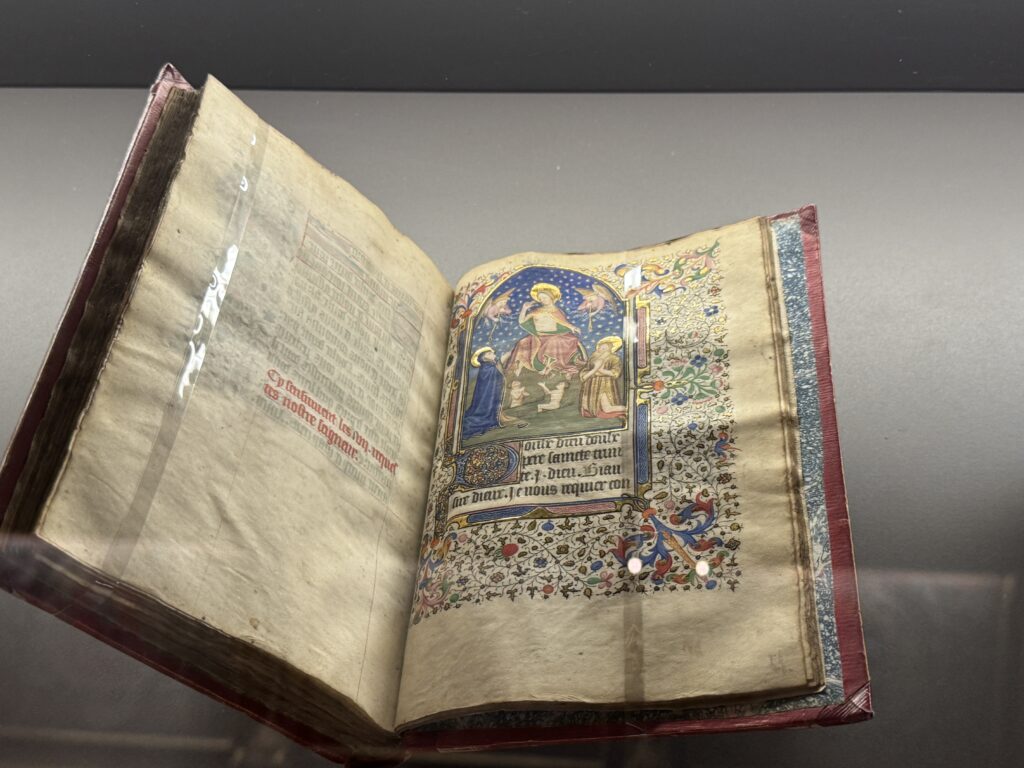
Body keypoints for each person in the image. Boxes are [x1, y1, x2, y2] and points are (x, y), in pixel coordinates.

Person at [503, 283, 587, 377]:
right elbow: (522, 321)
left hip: (553, 335)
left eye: (544, 297)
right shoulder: (537, 311)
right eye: (540, 298)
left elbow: (563, 322)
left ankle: (549, 366)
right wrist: (524, 309)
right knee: (522, 342)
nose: (542, 300)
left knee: (553, 341)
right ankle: (517, 368)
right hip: (538, 336)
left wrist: (572, 327)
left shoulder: (556, 311)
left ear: (551, 297)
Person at [462, 347, 510, 438]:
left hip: (491, 394)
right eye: (490, 353)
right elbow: (497, 373)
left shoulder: (490, 366)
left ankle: (497, 416)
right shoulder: (486, 368)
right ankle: (487, 417)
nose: (494, 354)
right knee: (479, 418)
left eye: (493, 353)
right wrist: (500, 363)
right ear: (484, 358)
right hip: (486, 399)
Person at [580, 336, 627, 419]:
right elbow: (585, 371)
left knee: (607, 408)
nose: (600, 348)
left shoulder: (614, 358)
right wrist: (593, 371)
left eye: (604, 347)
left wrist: (600, 370)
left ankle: (628, 409)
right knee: (587, 409)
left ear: (610, 348)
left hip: (604, 384)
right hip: (590, 385)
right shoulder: (593, 358)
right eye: (600, 346)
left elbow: (615, 372)